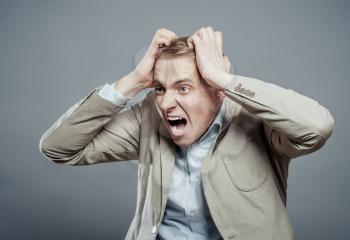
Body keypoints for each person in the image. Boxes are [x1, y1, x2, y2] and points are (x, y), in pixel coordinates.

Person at [39, 27, 335, 240]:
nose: (167, 103)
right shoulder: (149, 118)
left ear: (217, 93)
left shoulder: (253, 120)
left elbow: (317, 128)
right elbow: (58, 148)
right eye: (160, 88)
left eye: (183, 87)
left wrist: (223, 78)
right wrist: (133, 81)